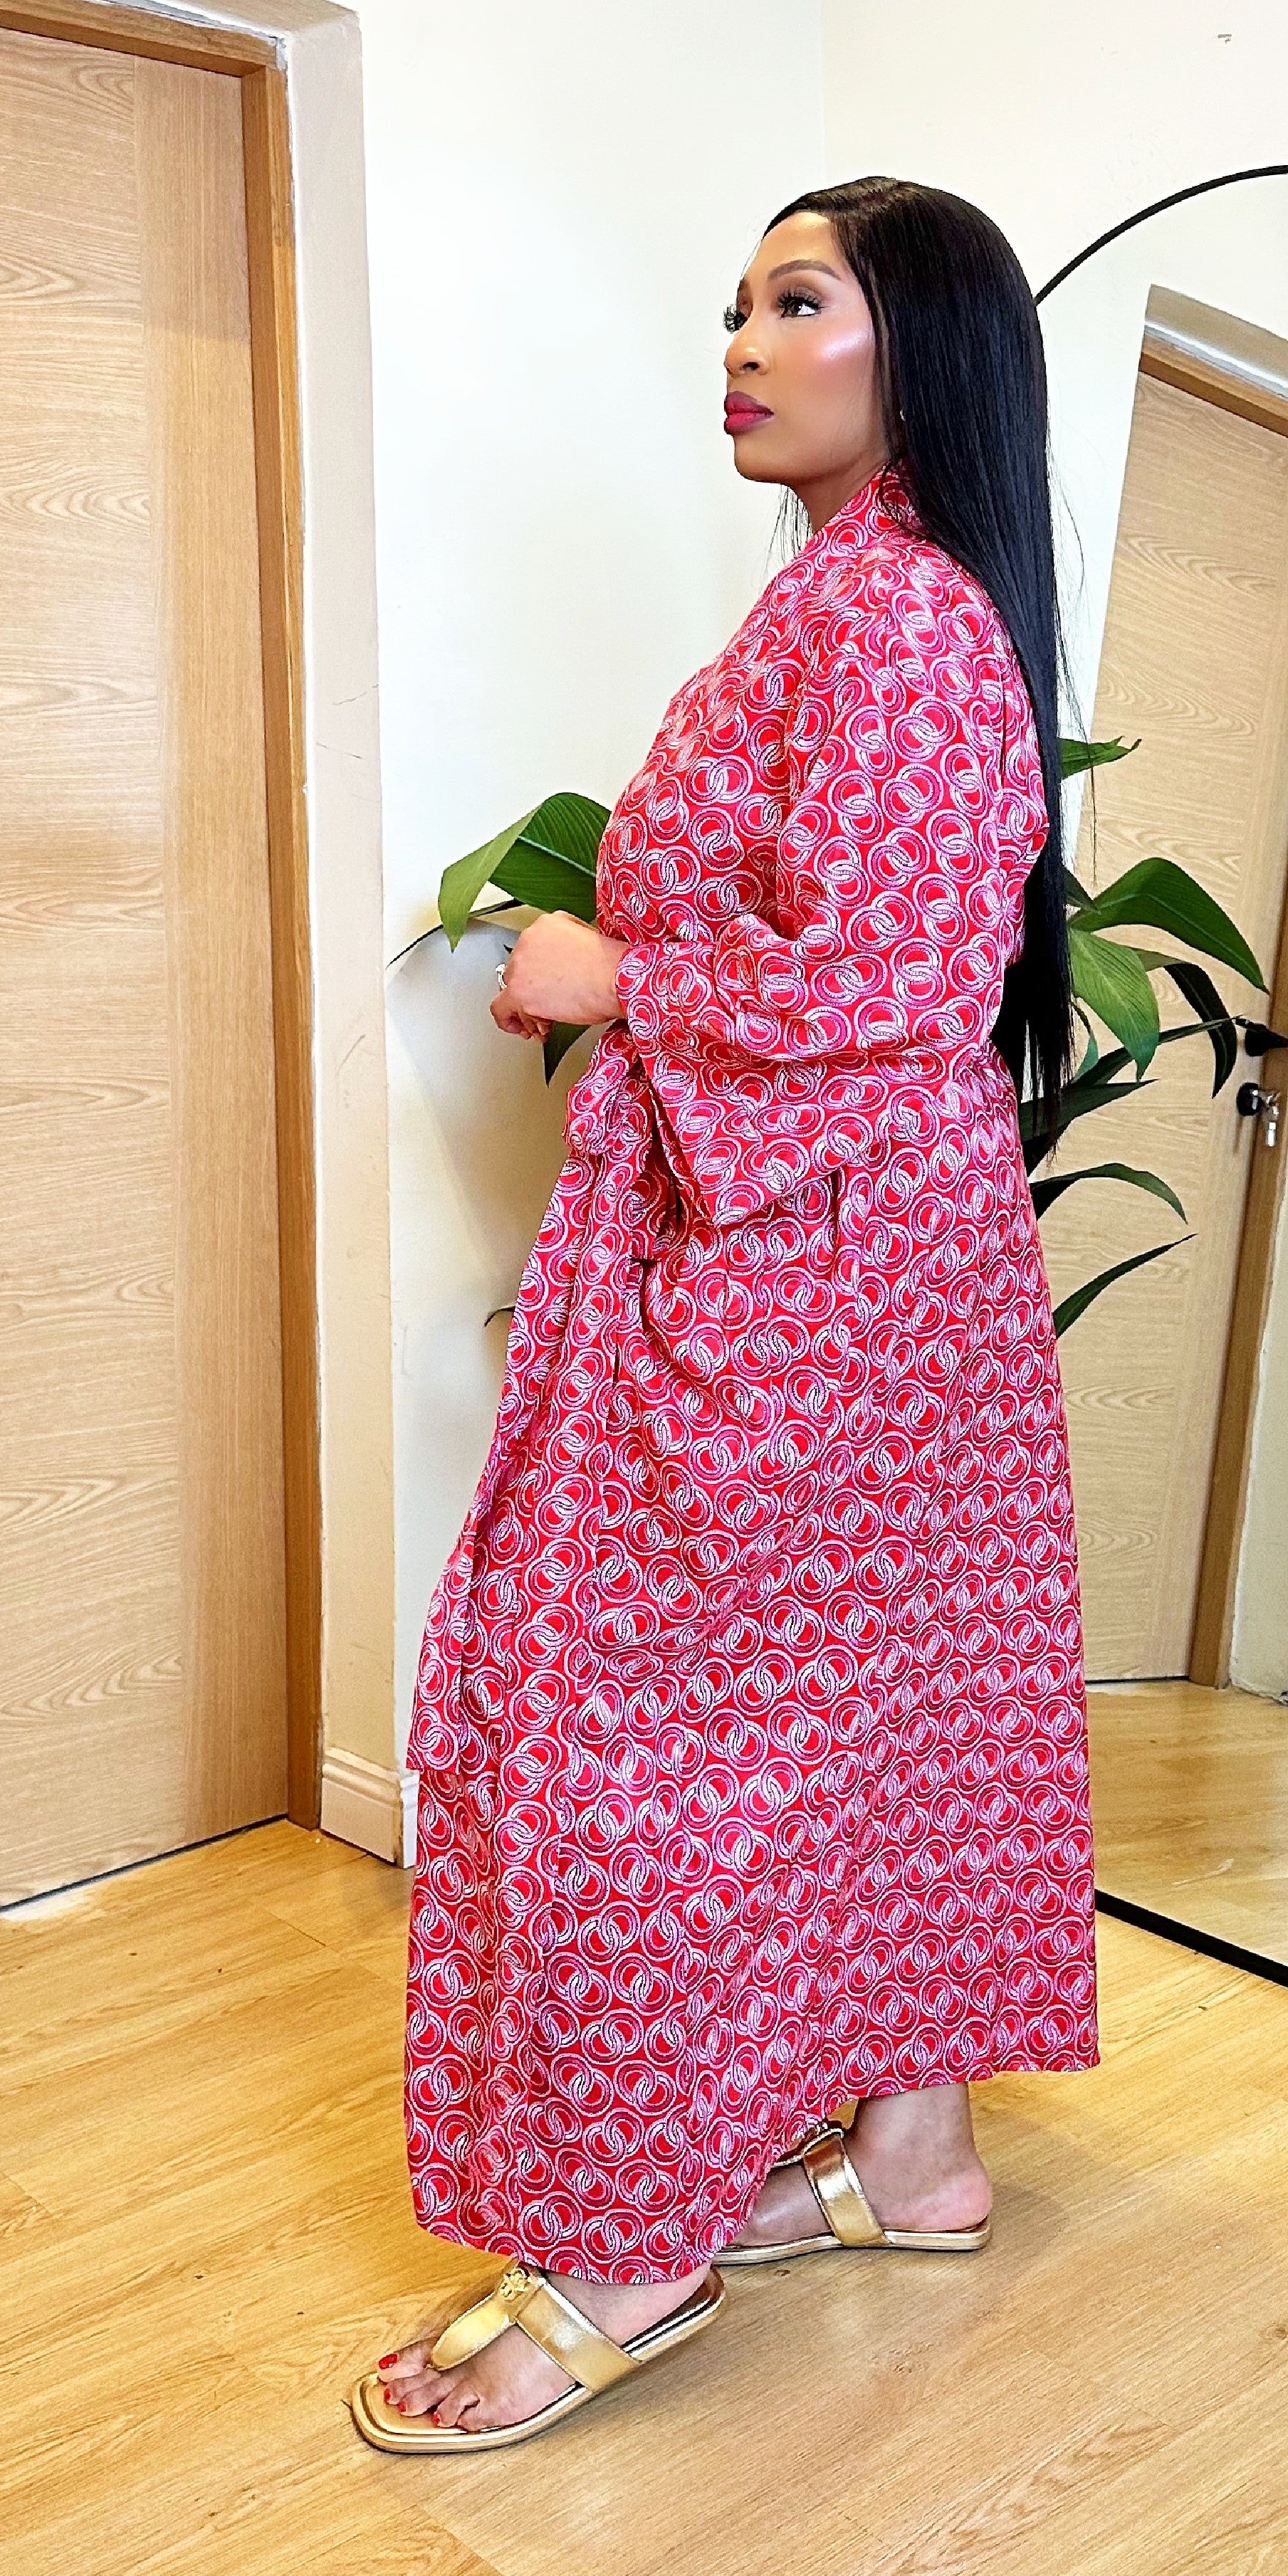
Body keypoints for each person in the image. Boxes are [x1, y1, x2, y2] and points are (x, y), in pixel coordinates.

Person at [355, 177, 1099, 2454]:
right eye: (738, 304)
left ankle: (622, 2237)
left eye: (800, 301)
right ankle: (910, 2158)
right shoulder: (879, 610)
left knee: (623, 1733)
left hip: (807, 1282)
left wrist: (608, 973)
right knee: (873, 1712)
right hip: (877, 1269)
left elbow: (889, 984)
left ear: (925, 353)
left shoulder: (886, 621)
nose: (745, 339)